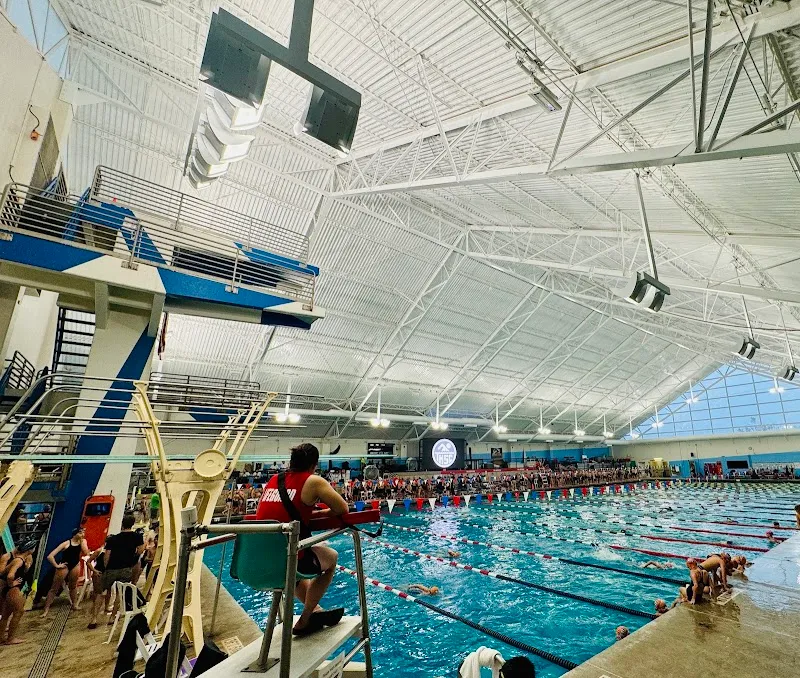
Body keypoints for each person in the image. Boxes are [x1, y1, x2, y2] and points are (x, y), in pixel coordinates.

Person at [256, 442, 348, 636]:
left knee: (297, 566)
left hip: (260, 559)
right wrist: (322, 512)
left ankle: (315, 610)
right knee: (331, 558)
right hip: (287, 557)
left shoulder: (274, 479)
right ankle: (305, 618)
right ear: (314, 464)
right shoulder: (313, 481)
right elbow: (342, 509)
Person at [88, 514, 144, 629]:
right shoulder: (137, 537)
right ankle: (112, 617)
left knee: (101, 593)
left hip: (112, 568)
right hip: (126, 569)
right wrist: (132, 560)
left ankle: (94, 619)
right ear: (132, 524)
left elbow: (107, 556)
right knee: (120, 593)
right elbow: (140, 551)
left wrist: (105, 567)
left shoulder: (113, 539)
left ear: (122, 524)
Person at [42, 527, 89, 617]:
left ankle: (74, 604)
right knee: (54, 588)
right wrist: (56, 565)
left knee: (73, 586)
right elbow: (50, 556)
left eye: (83, 533)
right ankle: (46, 609)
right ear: (74, 534)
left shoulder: (83, 541)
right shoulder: (66, 543)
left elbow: (86, 552)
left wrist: (83, 542)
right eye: (80, 533)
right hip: (65, 565)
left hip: (75, 565)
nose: (82, 535)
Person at [0, 539, 37, 645]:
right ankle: (10, 638)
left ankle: (1, 637)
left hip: (8, 589)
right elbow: (10, 575)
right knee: (19, 612)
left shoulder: (18, 559)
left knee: (6, 614)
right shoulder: (19, 560)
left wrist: (25, 569)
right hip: (13, 590)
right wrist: (12, 583)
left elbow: (3, 571)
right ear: (30, 549)